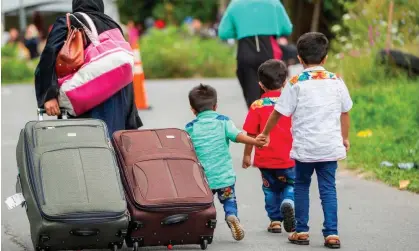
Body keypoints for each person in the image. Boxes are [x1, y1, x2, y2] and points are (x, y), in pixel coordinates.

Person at [256, 32, 352, 249]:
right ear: (325, 58)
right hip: (329, 147)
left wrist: (266, 133)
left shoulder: (296, 82)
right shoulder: (336, 81)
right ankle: (332, 234)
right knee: (328, 189)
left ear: (299, 58)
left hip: (305, 148)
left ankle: (301, 231)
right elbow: (345, 112)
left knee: (301, 186)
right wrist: (344, 138)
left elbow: (278, 112)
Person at [34, 0, 142, 137]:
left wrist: (48, 96)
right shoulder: (112, 25)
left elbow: (49, 56)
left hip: (87, 99)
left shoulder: (70, 22)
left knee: (87, 148)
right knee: (114, 148)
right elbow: (123, 66)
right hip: (118, 102)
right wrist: (131, 116)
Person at [185, 84, 265, 241]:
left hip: (202, 179)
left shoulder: (190, 128)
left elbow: (182, 149)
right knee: (229, 199)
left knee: (205, 206)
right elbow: (238, 136)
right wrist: (255, 141)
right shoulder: (223, 122)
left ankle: (205, 229)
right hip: (224, 177)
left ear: (193, 109)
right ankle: (231, 215)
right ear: (215, 106)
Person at [242, 59, 296, 234]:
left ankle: (274, 221)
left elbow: (250, 134)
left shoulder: (257, 106)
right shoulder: (291, 104)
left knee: (269, 189)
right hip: (290, 158)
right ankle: (288, 200)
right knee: (291, 185)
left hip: (265, 160)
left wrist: (247, 155)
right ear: (285, 82)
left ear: (260, 85)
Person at [218, 0, 293, 108]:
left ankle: (255, 121)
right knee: (272, 95)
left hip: (245, 51)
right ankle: (271, 121)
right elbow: (287, 29)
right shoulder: (273, 3)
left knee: (252, 99)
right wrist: (273, 29)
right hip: (268, 51)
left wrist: (241, 31)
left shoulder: (235, 4)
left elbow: (223, 32)